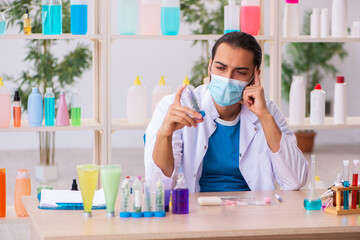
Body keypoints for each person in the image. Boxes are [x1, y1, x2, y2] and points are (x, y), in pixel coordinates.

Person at [144, 32, 308, 192]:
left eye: (241, 72)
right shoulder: (175, 107)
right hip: (195, 210)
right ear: (210, 67)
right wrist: (164, 135)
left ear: (255, 75)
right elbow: (157, 186)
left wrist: (264, 117)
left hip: (252, 211)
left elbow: (294, 181)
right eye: (221, 68)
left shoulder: (267, 112)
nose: (228, 78)